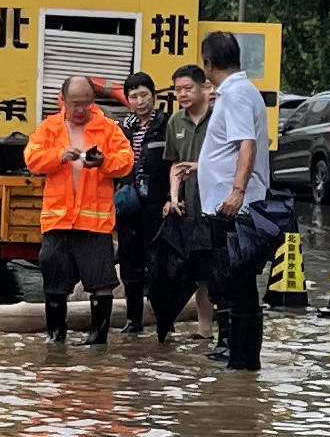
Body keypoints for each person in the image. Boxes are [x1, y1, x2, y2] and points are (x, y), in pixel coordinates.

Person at [24, 71, 134, 347]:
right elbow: (32, 159)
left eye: (87, 102)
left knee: (102, 282)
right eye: (75, 103)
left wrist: (103, 162)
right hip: (58, 221)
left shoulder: (108, 127)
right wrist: (58, 156)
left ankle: (97, 340)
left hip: (94, 224)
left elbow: (126, 160)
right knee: (55, 284)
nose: (81, 109)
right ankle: (55, 338)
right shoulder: (49, 128)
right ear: (63, 100)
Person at [197, 28, 269, 372]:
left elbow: (246, 145)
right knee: (232, 284)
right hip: (227, 205)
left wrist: (237, 191)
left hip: (235, 208)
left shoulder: (237, 94)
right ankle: (237, 357)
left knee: (240, 288)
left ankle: (243, 362)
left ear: (208, 64)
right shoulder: (235, 92)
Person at [143, 60, 213, 344]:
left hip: (217, 205)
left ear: (203, 87)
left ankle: (226, 331)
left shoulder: (218, 117)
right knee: (195, 270)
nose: (182, 94)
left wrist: (201, 166)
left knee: (216, 270)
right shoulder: (175, 121)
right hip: (190, 206)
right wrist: (173, 199)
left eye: (187, 88)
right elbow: (174, 165)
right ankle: (204, 330)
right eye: (177, 90)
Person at [113, 69, 166, 335]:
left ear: (154, 96)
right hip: (129, 204)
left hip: (157, 204)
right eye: (133, 96)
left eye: (144, 95)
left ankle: (162, 321)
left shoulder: (166, 125)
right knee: (130, 262)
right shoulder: (122, 128)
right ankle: (133, 320)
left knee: (158, 263)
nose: (140, 101)